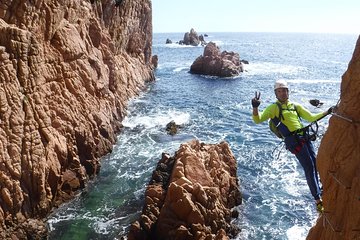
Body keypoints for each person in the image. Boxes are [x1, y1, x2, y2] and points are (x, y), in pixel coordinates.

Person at [251, 79, 333, 213]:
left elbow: (311, 117)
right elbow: (257, 119)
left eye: (284, 90)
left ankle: (319, 190)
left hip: (304, 137)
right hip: (294, 141)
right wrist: (255, 107)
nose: (282, 93)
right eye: (279, 91)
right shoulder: (274, 108)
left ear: (288, 92)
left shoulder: (294, 106)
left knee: (315, 164)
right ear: (276, 94)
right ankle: (318, 200)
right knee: (309, 167)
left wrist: (327, 112)